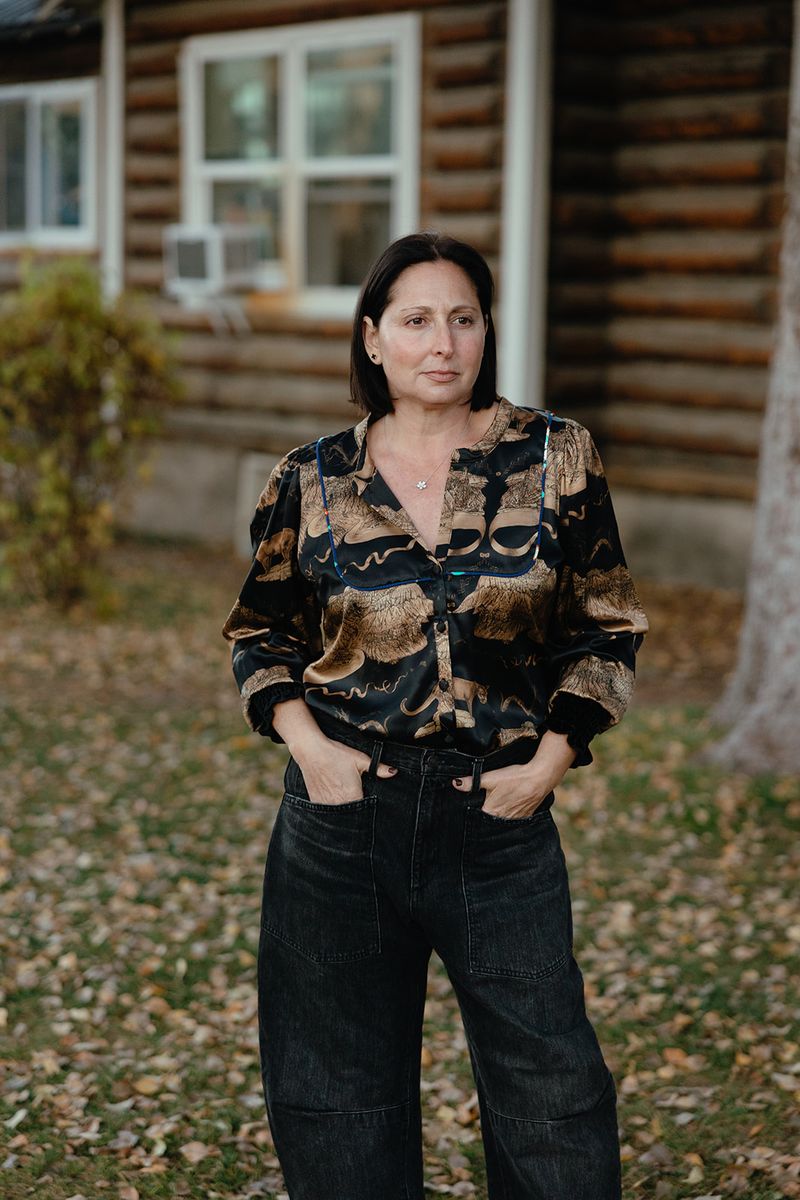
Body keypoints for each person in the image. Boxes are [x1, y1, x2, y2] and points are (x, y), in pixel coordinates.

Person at [222, 231, 648, 1199]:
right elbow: (259, 634)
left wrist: (550, 761)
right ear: (372, 339)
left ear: (486, 331)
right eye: (415, 320)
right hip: (342, 826)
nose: (442, 343)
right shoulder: (310, 478)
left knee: (552, 1097)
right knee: (336, 1098)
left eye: (462, 319)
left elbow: (606, 625)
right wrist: (311, 751)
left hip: (498, 821)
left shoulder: (555, 456)